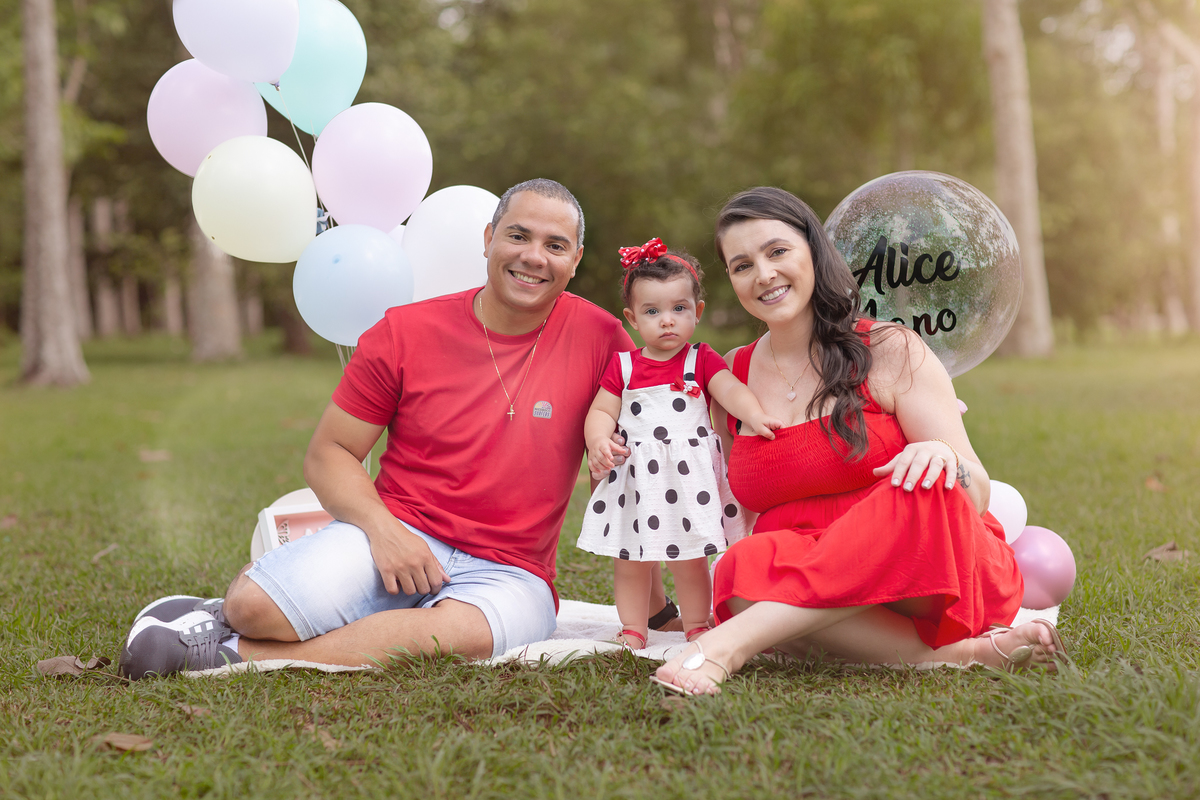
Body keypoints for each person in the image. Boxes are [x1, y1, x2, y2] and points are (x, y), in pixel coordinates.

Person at [117, 178, 680, 679]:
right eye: (518, 236)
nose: (534, 257)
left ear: (575, 260)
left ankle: (233, 655)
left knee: (455, 637)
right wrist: (385, 533)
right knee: (253, 608)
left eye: (555, 246)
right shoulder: (405, 331)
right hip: (399, 530)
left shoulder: (602, 339)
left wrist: (656, 607)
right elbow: (330, 452)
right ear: (488, 239)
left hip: (512, 571)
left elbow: (633, 471)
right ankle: (226, 616)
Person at [653, 187, 1068, 695]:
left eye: (777, 251)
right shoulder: (730, 377)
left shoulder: (890, 348)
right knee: (739, 568)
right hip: (808, 567)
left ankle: (726, 647)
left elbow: (975, 491)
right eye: (742, 265)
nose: (763, 274)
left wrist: (943, 456)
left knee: (926, 486)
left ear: (814, 251)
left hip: (930, 570)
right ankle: (959, 657)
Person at [576, 239, 781, 649]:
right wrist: (598, 437)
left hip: (688, 483)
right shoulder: (624, 366)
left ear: (697, 311)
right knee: (631, 560)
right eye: (652, 312)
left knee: (691, 559)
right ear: (633, 319)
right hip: (637, 481)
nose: (667, 321)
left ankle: (697, 624)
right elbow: (601, 410)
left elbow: (730, 389)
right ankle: (633, 628)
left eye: (679, 309)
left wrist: (753, 414)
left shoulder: (700, 359)